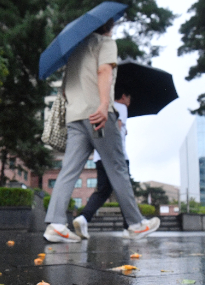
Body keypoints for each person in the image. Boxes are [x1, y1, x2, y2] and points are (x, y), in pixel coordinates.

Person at [43, 19, 160, 243]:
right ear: (108, 26)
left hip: (75, 117)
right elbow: (104, 70)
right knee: (117, 167)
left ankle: (56, 224)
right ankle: (136, 224)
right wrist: (104, 105)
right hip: (97, 115)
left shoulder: (75, 52)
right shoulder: (105, 43)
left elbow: (66, 91)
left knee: (68, 170)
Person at [73, 87, 132, 239]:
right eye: (129, 98)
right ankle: (130, 226)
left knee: (102, 191)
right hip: (116, 156)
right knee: (124, 189)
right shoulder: (121, 108)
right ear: (124, 96)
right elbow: (117, 128)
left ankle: (84, 217)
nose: (129, 102)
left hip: (100, 156)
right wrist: (123, 132)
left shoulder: (103, 106)